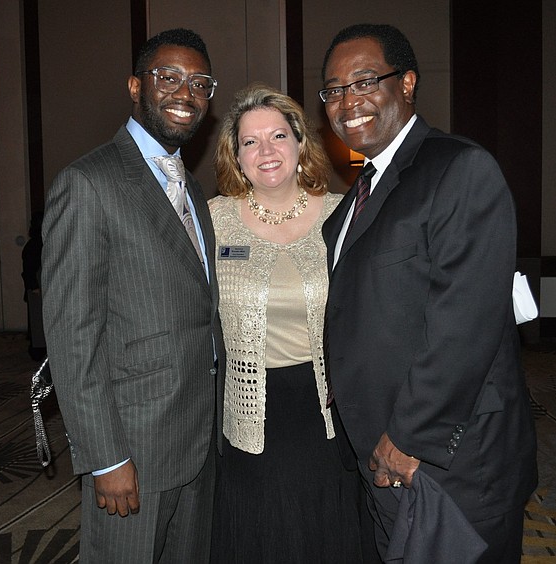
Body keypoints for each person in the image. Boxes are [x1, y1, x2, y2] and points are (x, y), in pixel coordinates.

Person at [319, 24, 537, 563]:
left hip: (446, 461)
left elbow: (464, 322)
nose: (348, 102)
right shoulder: (353, 202)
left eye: (365, 82)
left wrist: (410, 437)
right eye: (334, 90)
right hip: (382, 455)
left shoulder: (458, 169)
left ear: (408, 83)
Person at [41, 28, 225, 563]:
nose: (184, 93)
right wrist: (105, 458)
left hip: (197, 437)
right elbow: (74, 336)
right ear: (134, 86)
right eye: (167, 77)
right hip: (134, 449)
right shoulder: (88, 183)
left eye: (199, 82)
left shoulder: (190, 185)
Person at [208, 83, 368, 563]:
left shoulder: (345, 215)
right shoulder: (212, 220)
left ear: (301, 143)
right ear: (236, 157)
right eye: (250, 142)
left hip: (327, 411)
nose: (266, 151)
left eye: (278, 136)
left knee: (324, 533)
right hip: (246, 409)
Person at [21, 211, 45, 361]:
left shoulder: (44, 241)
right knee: (38, 322)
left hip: (42, 288)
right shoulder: (34, 244)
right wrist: (34, 287)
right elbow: (28, 269)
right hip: (36, 289)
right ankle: (38, 351)